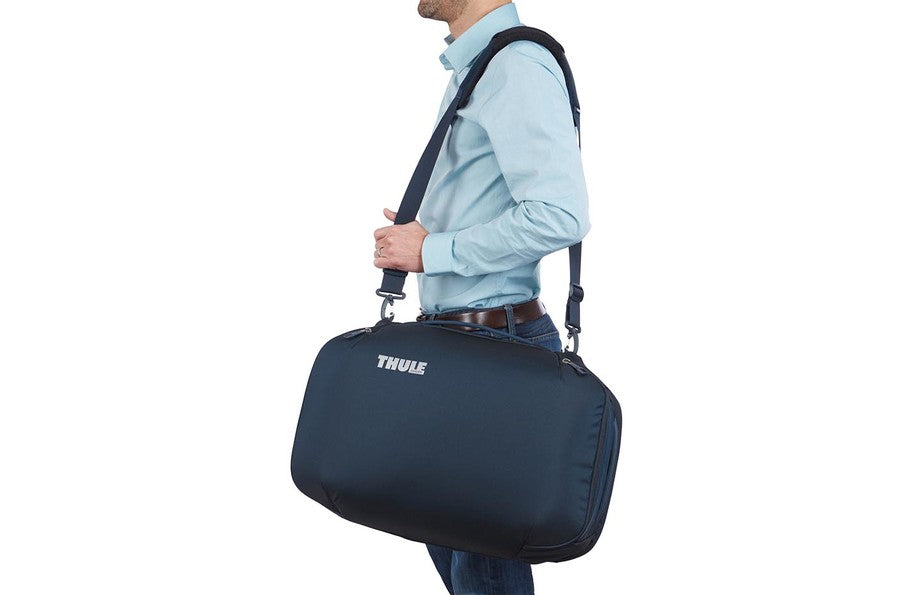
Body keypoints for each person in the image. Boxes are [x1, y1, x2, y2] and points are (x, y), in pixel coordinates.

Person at [372, 1, 590, 593]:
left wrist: (434, 251)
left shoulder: (515, 66)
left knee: (482, 572)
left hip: (492, 344)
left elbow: (561, 215)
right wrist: (429, 233)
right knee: (465, 564)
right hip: (464, 339)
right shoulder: (483, 65)